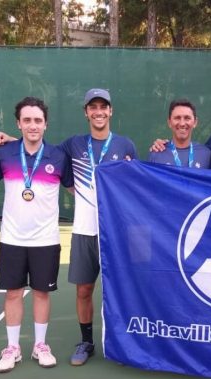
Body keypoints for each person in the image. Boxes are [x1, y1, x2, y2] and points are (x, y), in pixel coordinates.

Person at [0, 97, 73, 372]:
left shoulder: (59, 156)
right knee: (13, 293)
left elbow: (76, 189)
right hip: (11, 239)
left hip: (46, 240)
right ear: (19, 123)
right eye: (27, 120)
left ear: (46, 124)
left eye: (38, 120)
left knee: (41, 293)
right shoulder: (4, 153)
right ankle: (12, 348)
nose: (33, 125)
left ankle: (40, 345)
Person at [60, 89, 138, 365]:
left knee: (121, 289)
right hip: (84, 231)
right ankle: (87, 342)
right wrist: (14, 141)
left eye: (103, 106)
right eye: (93, 107)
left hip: (115, 233)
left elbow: (135, 186)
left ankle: (125, 343)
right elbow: (43, 154)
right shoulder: (73, 145)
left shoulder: (125, 146)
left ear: (110, 111)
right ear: (86, 113)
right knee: (83, 290)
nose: (98, 112)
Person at [147, 99, 211, 168]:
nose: (182, 123)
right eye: (177, 118)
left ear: (195, 122)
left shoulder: (206, 154)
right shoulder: (156, 154)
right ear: (169, 122)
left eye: (187, 118)